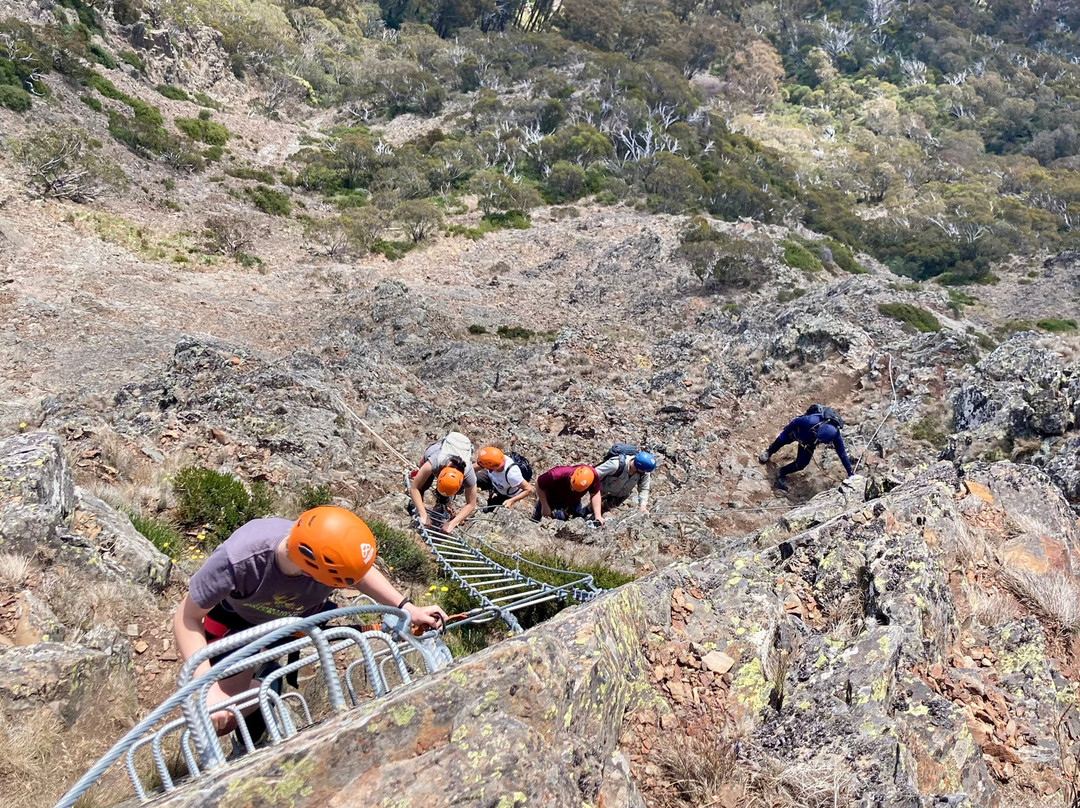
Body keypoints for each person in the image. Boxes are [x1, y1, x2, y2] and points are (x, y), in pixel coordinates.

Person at [173, 506, 448, 737]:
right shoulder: (240, 559)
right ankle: (268, 683)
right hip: (238, 621)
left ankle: (265, 691)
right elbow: (187, 616)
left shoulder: (323, 548)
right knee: (220, 719)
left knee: (229, 713)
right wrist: (203, 687)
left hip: (292, 618)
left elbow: (361, 574)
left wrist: (407, 607)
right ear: (312, 571)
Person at [759, 410, 853, 491]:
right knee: (784, 440)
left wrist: (850, 473)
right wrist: (784, 433)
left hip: (809, 442)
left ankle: (782, 472)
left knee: (801, 464)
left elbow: (842, 453)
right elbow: (795, 422)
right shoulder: (811, 421)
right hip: (799, 431)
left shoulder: (835, 435)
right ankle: (769, 452)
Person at [408, 432, 478, 533]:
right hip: (433, 451)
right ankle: (416, 503)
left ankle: (443, 499)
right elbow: (414, 488)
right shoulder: (434, 462)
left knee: (447, 492)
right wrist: (423, 514)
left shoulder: (469, 474)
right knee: (423, 485)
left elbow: (471, 504)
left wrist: (452, 523)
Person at [533, 464, 604, 526]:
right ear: (571, 477)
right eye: (572, 487)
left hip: (573, 501)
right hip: (551, 498)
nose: (573, 490)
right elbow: (538, 483)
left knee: (571, 520)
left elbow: (595, 493)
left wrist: (598, 516)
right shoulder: (558, 473)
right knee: (537, 518)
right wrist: (544, 505)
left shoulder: (592, 477)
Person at [474, 446, 534, 511]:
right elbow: (474, 467)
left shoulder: (512, 474)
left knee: (490, 509)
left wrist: (511, 501)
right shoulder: (494, 459)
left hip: (506, 493)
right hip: (494, 480)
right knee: (471, 479)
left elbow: (529, 489)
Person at [595, 450, 656, 514]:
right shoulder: (616, 465)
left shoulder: (644, 472)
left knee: (603, 509)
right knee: (592, 506)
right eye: (643, 471)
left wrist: (642, 505)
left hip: (619, 496)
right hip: (601, 490)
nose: (645, 472)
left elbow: (644, 488)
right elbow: (595, 474)